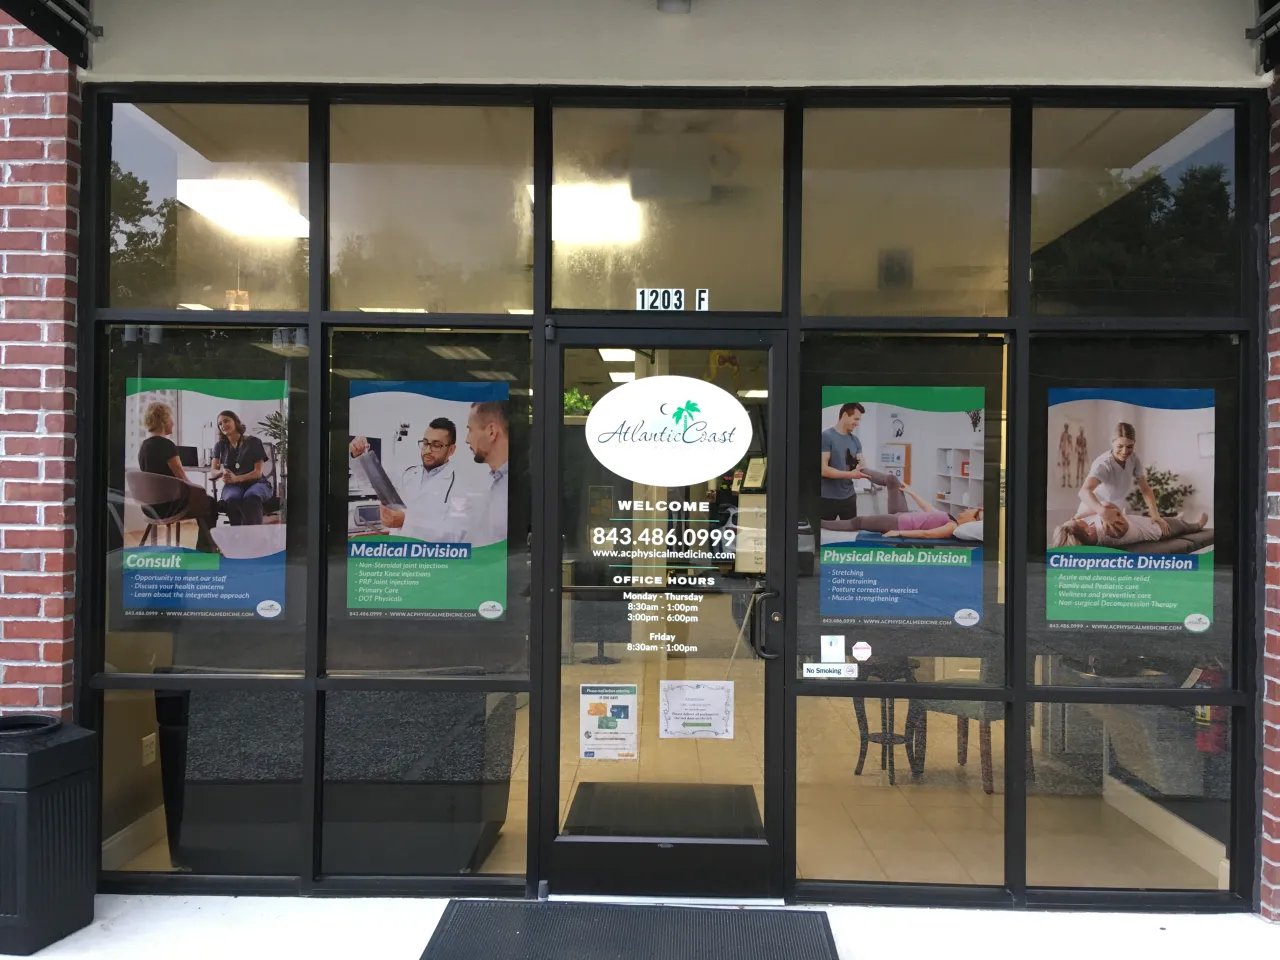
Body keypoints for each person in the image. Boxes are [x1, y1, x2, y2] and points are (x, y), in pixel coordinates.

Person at [349, 418, 461, 540]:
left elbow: (456, 532)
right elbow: (369, 481)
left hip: (429, 556)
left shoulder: (460, 485)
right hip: (398, 552)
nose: (428, 450)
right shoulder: (407, 473)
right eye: (425, 443)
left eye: (436, 445)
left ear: (451, 450)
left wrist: (406, 522)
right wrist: (358, 454)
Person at [136, 401, 217, 552]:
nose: (173, 423)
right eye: (171, 419)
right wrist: (201, 491)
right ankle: (206, 551)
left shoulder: (144, 446)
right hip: (169, 507)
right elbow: (182, 477)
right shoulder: (167, 445)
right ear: (164, 420)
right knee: (210, 503)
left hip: (149, 507)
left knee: (203, 501)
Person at [1075, 421, 1164, 536]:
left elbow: (1145, 489)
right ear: (1112, 443)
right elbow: (1084, 492)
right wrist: (1103, 512)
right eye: (1120, 446)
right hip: (1094, 507)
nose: (1125, 451)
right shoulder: (1103, 464)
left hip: (1115, 508)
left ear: (1134, 443)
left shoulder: (1134, 459)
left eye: (1130, 446)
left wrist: (1155, 515)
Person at [821, 482, 983, 539]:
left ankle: (820, 522)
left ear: (973, 521)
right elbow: (928, 508)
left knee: (858, 522)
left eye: (972, 511)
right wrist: (911, 492)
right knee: (894, 483)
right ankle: (861, 468)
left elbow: (925, 534)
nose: (968, 510)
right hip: (904, 515)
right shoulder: (950, 519)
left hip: (897, 523)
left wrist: (898, 533)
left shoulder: (951, 528)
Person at [211, 410, 272, 526]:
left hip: (257, 483)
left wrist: (236, 478)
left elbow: (257, 473)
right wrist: (222, 471)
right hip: (233, 486)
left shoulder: (254, 442)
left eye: (226, 421)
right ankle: (237, 536)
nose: (223, 425)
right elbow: (213, 472)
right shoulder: (220, 446)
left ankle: (254, 537)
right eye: (220, 424)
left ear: (236, 422)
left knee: (251, 496)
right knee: (232, 499)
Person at [463, 400, 509, 548]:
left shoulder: (514, 487)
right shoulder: (495, 482)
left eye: (470, 430)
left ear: (491, 432)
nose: (467, 439)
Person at [1052, 505, 1207, 548]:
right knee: (1183, 525)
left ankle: (1186, 523)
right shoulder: (1110, 532)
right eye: (1077, 521)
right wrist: (1078, 517)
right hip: (1157, 530)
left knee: (1177, 522)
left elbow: (1097, 508)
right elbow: (1109, 506)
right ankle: (1198, 525)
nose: (1076, 518)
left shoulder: (1090, 532)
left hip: (1142, 521)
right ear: (1086, 530)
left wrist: (1074, 521)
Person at [1058, 423, 1073, 488]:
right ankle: (1064, 483)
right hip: (1063, 453)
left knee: (1068, 468)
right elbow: (1060, 444)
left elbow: (1070, 444)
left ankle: (1069, 483)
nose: (1066, 428)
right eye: (1065, 427)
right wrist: (1061, 451)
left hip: (1068, 453)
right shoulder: (1062, 435)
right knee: (1064, 468)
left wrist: (1069, 452)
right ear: (1064, 427)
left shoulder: (1069, 435)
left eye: (1067, 427)